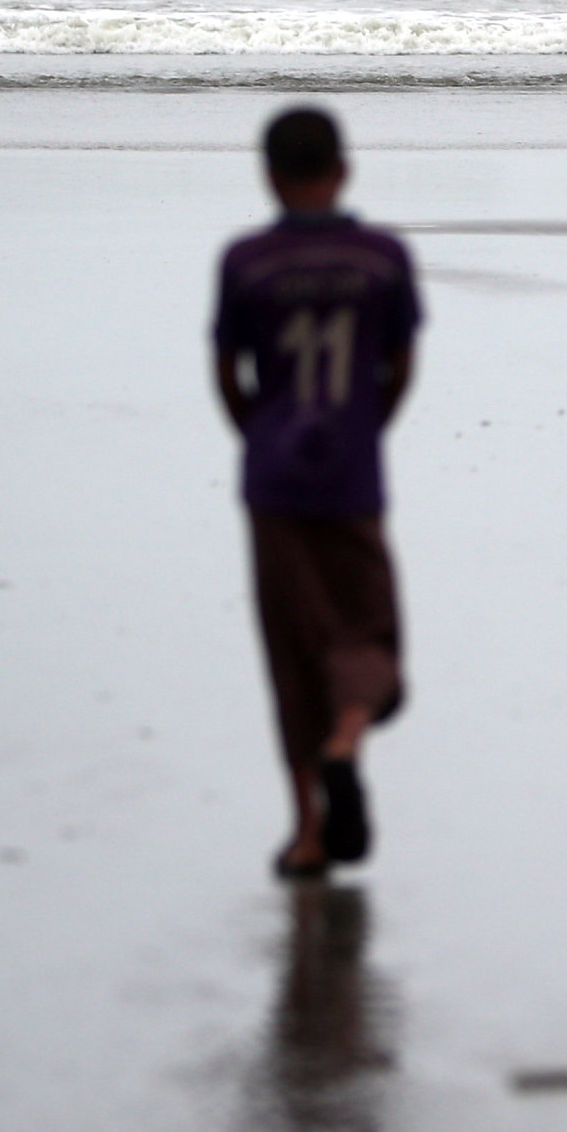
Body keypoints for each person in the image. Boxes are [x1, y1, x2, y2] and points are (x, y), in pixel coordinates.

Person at [214, 106, 422, 880]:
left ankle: (305, 831)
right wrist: (370, 426)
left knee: (291, 649)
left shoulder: (246, 261)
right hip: (352, 474)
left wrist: (256, 437)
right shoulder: (381, 259)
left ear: (270, 176)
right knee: (366, 632)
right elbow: (399, 363)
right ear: (344, 169)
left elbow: (228, 374)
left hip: (273, 478)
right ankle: (346, 738)